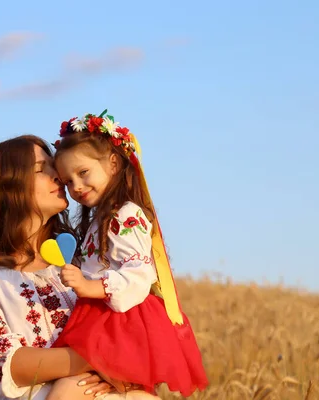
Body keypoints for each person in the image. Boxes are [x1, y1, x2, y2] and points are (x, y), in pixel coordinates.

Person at [0, 135, 155, 400]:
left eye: (56, 169)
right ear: (8, 185)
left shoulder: (80, 257)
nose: (60, 177)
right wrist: (98, 358)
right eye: (42, 170)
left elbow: (133, 323)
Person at [49, 110, 209, 397]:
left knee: (84, 390)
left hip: (120, 322)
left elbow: (138, 275)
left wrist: (89, 287)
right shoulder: (100, 218)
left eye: (83, 173)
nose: (76, 187)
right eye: (68, 181)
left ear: (112, 163)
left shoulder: (126, 215)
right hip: (99, 316)